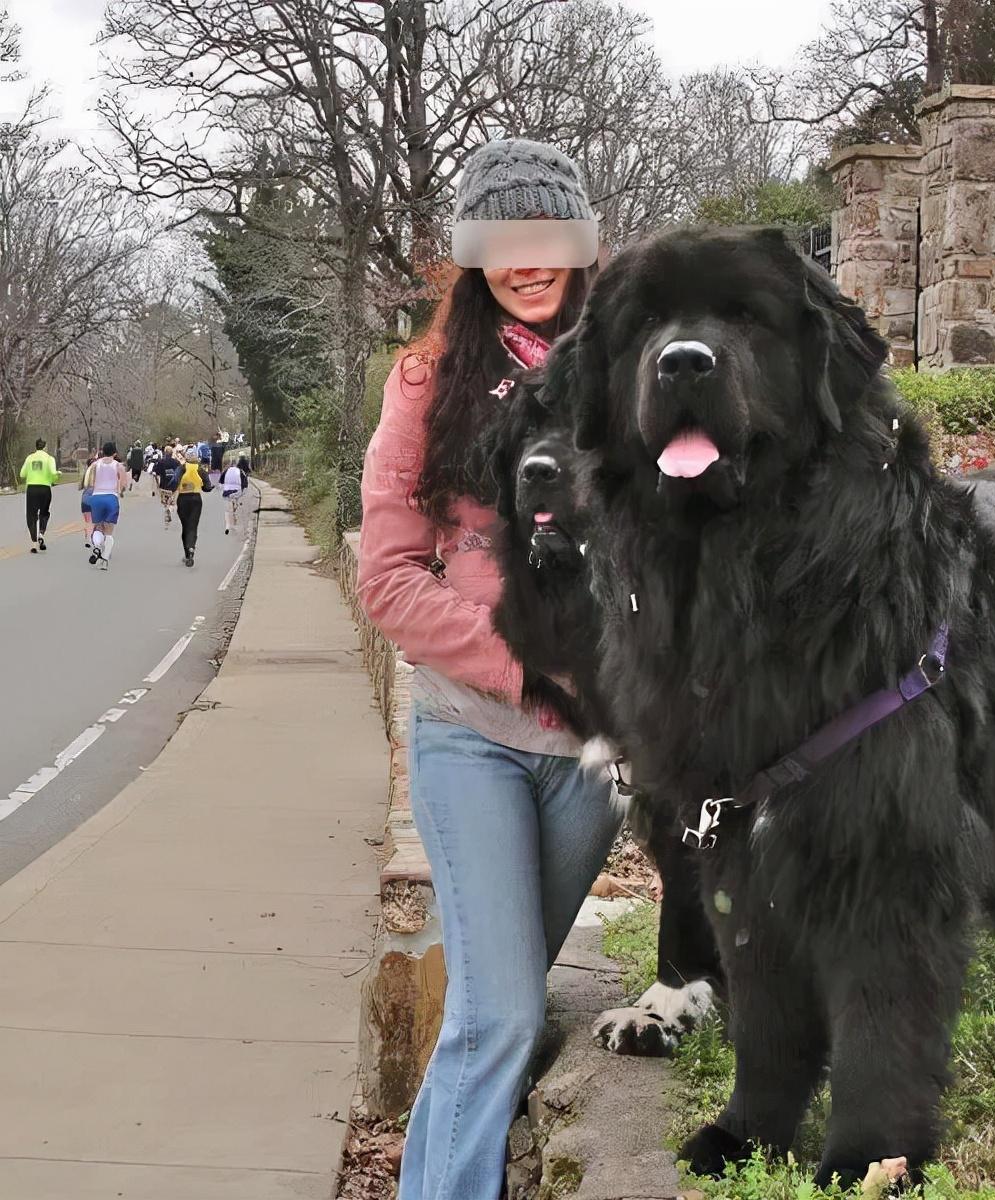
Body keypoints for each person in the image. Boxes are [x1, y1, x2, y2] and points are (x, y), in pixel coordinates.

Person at [356, 138, 617, 1200]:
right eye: (503, 241)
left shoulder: (630, 371)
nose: (527, 258)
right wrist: (533, 667)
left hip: (599, 755)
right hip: (476, 737)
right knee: (501, 1013)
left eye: (547, 234)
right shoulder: (427, 385)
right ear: (473, 258)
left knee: (490, 1011)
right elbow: (388, 578)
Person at [85, 441, 126, 570]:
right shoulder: (118, 466)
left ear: (103, 452)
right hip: (111, 498)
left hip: (97, 497)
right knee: (109, 530)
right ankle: (105, 559)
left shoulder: (95, 465)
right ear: (114, 453)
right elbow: (123, 484)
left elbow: (88, 481)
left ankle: (97, 546)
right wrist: (121, 491)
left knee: (98, 526)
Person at [170, 446, 213, 566]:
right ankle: (191, 549)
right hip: (196, 500)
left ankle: (187, 554)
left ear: (186, 458)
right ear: (196, 458)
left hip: (183, 500)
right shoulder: (200, 469)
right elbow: (207, 488)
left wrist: (169, 491)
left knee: (185, 526)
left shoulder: (181, 468)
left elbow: (174, 481)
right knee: (193, 526)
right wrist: (206, 487)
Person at [19, 437, 59, 554]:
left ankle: (33, 544)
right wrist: (57, 475)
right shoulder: (49, 458)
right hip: (45, 488)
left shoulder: (29, 458)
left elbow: (22, 474)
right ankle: (41, 533)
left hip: (32, 488)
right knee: (44, 513)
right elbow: (53, 473)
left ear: (36, 447)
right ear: (45, 447)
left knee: (31, 515)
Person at [219, 456, 249, 535]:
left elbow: (221, 481)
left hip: (227, 492)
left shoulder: (226, 471)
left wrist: (223, 486)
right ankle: (235, 509)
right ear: (236, 464)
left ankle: (229, 524)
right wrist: (244, 489)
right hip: (237, 491)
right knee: (236, 500)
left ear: (230, 464)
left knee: (228, 508)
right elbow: (245, 483)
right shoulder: (240, 471)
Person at [153, 444, 181, 527]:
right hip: (174, 485)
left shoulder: (161, 462)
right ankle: (170, 508)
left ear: (165, 453)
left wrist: (157, 482)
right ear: (172, 453)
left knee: (165, 500)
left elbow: (155, 472)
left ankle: (167, 508)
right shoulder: (176, 462)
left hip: (164, 484)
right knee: (173, 500)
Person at [79, 452, 97, 547]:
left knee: (87, 519)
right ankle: (93, 536)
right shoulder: (98, 472)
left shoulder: (86, 473)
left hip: (85, 496)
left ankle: (87, 536)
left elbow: (80, 486)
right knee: (95, 519)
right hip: (95, 494)